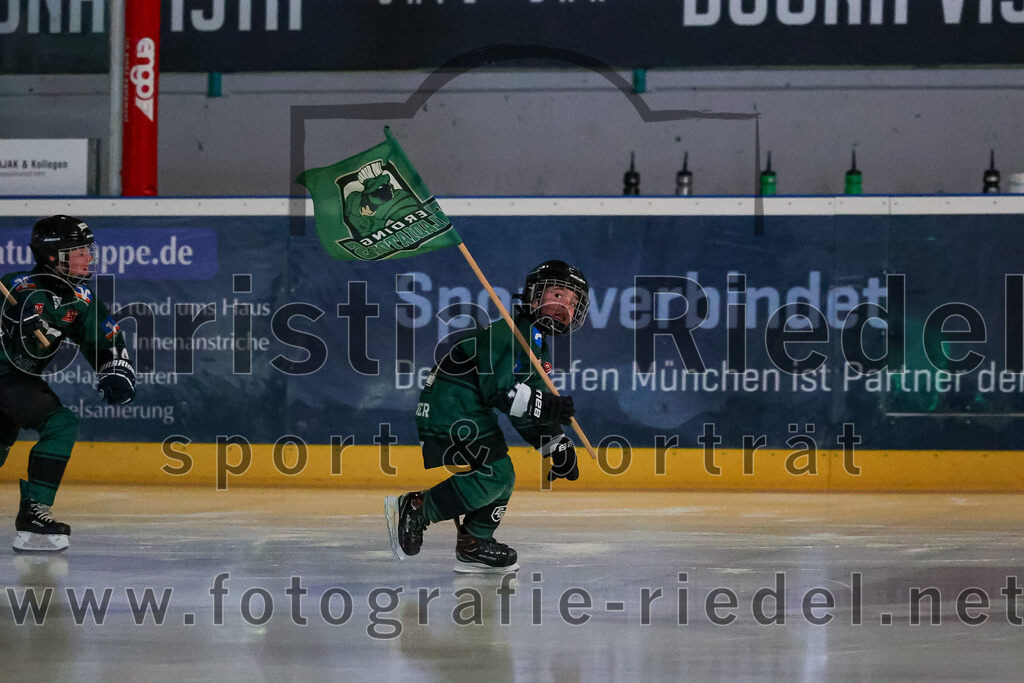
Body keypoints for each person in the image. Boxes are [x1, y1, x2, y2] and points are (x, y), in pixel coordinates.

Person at [386, 260, 590, 573]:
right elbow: (501, 391)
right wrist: (546, 406)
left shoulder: (535, 342)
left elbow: (525, 410)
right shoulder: (509, 333)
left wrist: (554, 443)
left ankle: (474, 543)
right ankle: (416, 507)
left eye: (573, 302)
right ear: (535, 296)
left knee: (501, 475)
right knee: (497, 473)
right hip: (452, 405)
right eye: (560, 295)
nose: (567, 306)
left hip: (468, 407)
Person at [0, 215, 135, 552]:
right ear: (52, 257)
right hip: (4, 376)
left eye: (88, 250)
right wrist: (8, 316)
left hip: (16, 381)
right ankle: (35, 508)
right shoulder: (15, 286)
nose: (88, 258)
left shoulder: (82, 299)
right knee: (60, 424)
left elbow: (105, 339)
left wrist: (115, 368)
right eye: (78, 252)